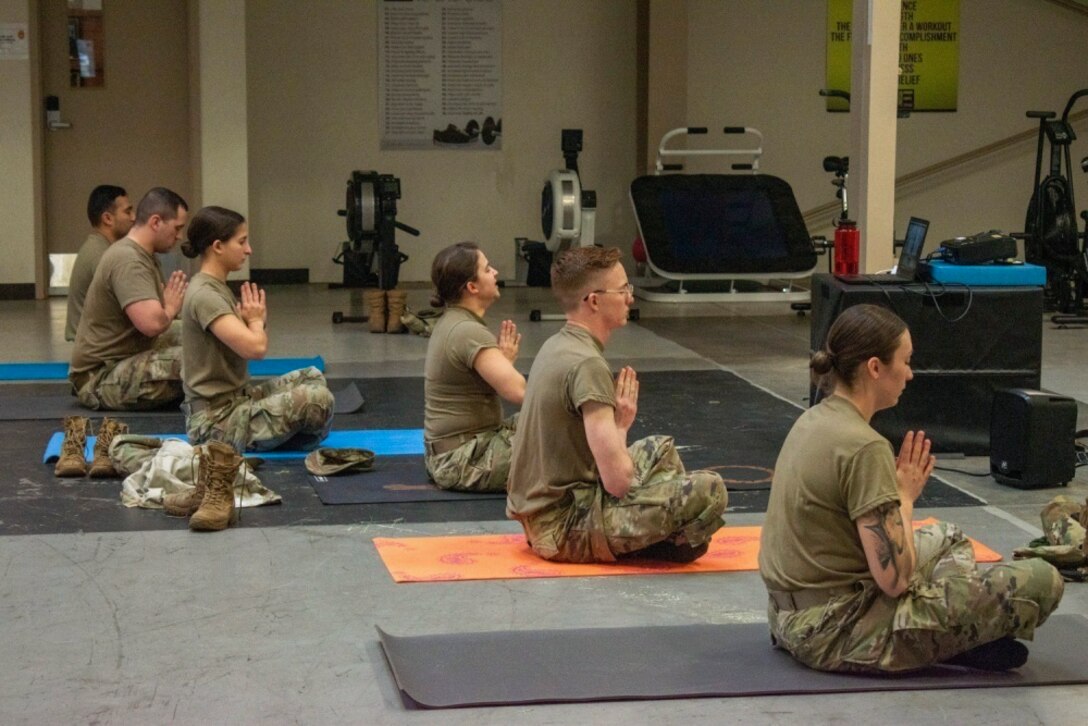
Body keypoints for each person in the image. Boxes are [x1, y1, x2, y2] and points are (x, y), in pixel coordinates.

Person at [759, 303, 1064, 673]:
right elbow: (895, 580)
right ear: (875, 367)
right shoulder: (864, 446)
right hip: (835, 631)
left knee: (947, 537)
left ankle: (948, 635)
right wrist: (904, 497)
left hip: (786, 616)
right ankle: (949, 637)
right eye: (905, 361)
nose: (910, 374)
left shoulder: (813, 419)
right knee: (1043, 579)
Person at [506, 246, 727, 563]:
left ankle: (660, 534)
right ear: (594, 301)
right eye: (623, 290)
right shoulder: (587, 365)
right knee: (711, 490)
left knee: (659, 448)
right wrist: (621, 425)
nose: (630, 298)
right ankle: (664, 540)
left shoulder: (556, 344)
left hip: (543, 516)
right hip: (566, 528)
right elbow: (618, 483)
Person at [178, 205, 334, 454]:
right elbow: (256, 348)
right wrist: (256, 321)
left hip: (238, 400)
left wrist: (254, 320)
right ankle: (276, 440)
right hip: (216, 422)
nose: (248, 250)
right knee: (318, 400)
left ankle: (279, 438)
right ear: (218, 246)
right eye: (242, 242)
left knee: (312, 376)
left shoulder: (215, 287)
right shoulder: (205, 295)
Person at [69, 187, 189, 411]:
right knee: (197, 358)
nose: (180, 236)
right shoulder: (128, 259)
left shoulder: (144, 255)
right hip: (100, 378)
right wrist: (171, 307)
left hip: (127, 356)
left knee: (203, 335)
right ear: (156, 222)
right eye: (177, 228)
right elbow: (152, 324)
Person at [424, 242, 525, 492]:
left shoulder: (456, 322)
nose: (495, 273)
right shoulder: (468, 331)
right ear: (472, 286)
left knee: (551, 424)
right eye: (488, 269)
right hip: (463, 460)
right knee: (563, 438)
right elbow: (520, 393)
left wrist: (504, 362)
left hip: (459, 451)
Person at [65, 185, 136, 341]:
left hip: (95, 342)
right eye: (127, 211)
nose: (133, 217)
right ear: (108, 218)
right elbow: (135, 311)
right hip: (97, 352)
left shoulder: (102, 248)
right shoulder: (103, 256)